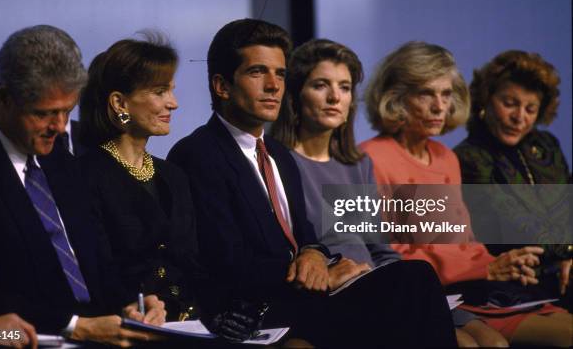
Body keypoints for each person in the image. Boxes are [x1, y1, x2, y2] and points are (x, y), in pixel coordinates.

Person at [168, 19, 457, 347]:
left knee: (414, 280)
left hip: (311, 298)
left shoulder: (277, 154)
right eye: (257, 72)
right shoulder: (198, 153)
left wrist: (316, 255)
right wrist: (314, 273)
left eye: (279, 74)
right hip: (262, 307)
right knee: (412, 285)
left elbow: (307, 236)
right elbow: (225, 259)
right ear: (222, 86)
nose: (274, 86)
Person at [271, 38, 505, 347]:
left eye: (344, 87)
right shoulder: (278, 162)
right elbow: (292, 250)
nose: (333, 97)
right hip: (334, 295)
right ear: (297, 95)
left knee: (491, 341)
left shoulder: (356, 164)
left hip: (379, 282)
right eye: (320, 85)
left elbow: (380, 249)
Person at [359, 41, 572, 346]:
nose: (439, 107)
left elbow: (466, 242)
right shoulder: (368, 157)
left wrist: (509, 263)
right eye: (425, 94)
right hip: (432, 293)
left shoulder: (446, 157)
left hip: (477, 288)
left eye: (446, 94)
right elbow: (381, 260)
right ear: (396, 98)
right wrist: (485, 267)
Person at [0, 25, 165, 347]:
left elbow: (98, 259)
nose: (59, 127)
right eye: (45, 114)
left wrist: (133, 303)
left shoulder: (62, 159)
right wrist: (74, 325)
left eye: (67, 111)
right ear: (4, 98)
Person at [78, 33, 205, 322]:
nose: (173, 103)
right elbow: (99, 271)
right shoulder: (86, 176)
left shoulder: (174, 176)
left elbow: (192, 265)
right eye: (160, 92)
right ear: (120, 104)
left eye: (171, 91)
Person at [454, 50, 572, 301]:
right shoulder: (469, 157)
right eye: (509, 104)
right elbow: (510, 221)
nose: (520, 118)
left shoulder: (547, 145)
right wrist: (565, 253)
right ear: (486, 100)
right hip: (514, 280)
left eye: (531, 108)